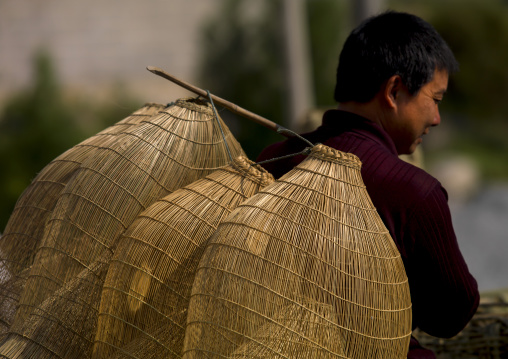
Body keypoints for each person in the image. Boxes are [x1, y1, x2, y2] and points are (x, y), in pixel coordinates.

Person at [257, 11, 479, 359]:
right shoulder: (411, 192)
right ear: (394, 91)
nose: (436, 119)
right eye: (434, 100)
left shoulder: (273, 160)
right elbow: (451, 315)